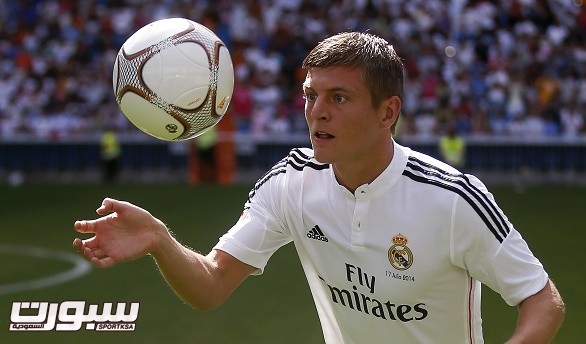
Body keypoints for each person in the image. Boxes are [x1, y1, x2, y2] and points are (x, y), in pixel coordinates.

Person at [73, 32, 565, 343]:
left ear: (388, 112)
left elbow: (543, 300)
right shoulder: (290, 184)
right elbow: (210, 286)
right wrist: (160, 239)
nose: (317, 112)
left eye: (339, 97)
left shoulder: (453, 199)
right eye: (311, 96)